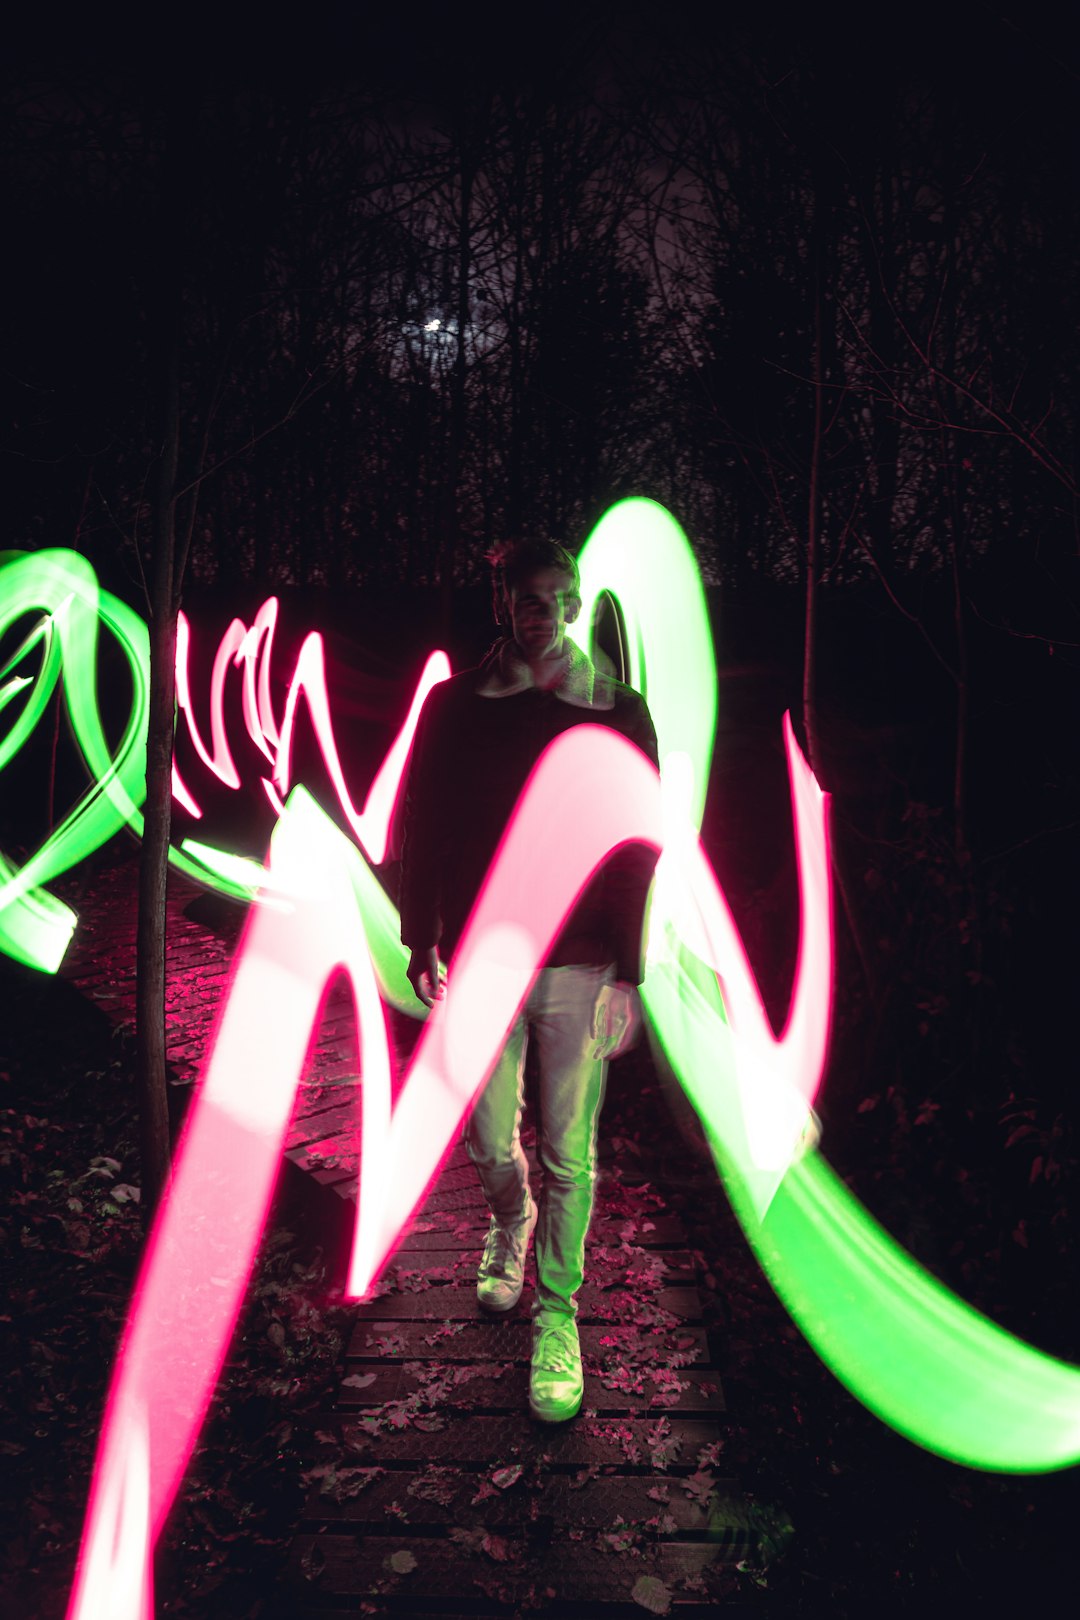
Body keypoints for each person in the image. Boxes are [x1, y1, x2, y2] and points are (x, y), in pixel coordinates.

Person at [399, 538, 658, 1423]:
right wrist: (419, 930)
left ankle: (558, 1314)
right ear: (502, 602)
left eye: (556, 595)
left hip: (581, 959)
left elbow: (636, 845)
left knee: (570, 1155)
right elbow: (421, 821)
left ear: (577, 603)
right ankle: (508, 1224)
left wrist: (629, 969)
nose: (540, 609)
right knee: (483, 1137)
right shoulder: (456, 707)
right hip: (481, 955)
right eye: (524, 595)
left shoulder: (618, 712)